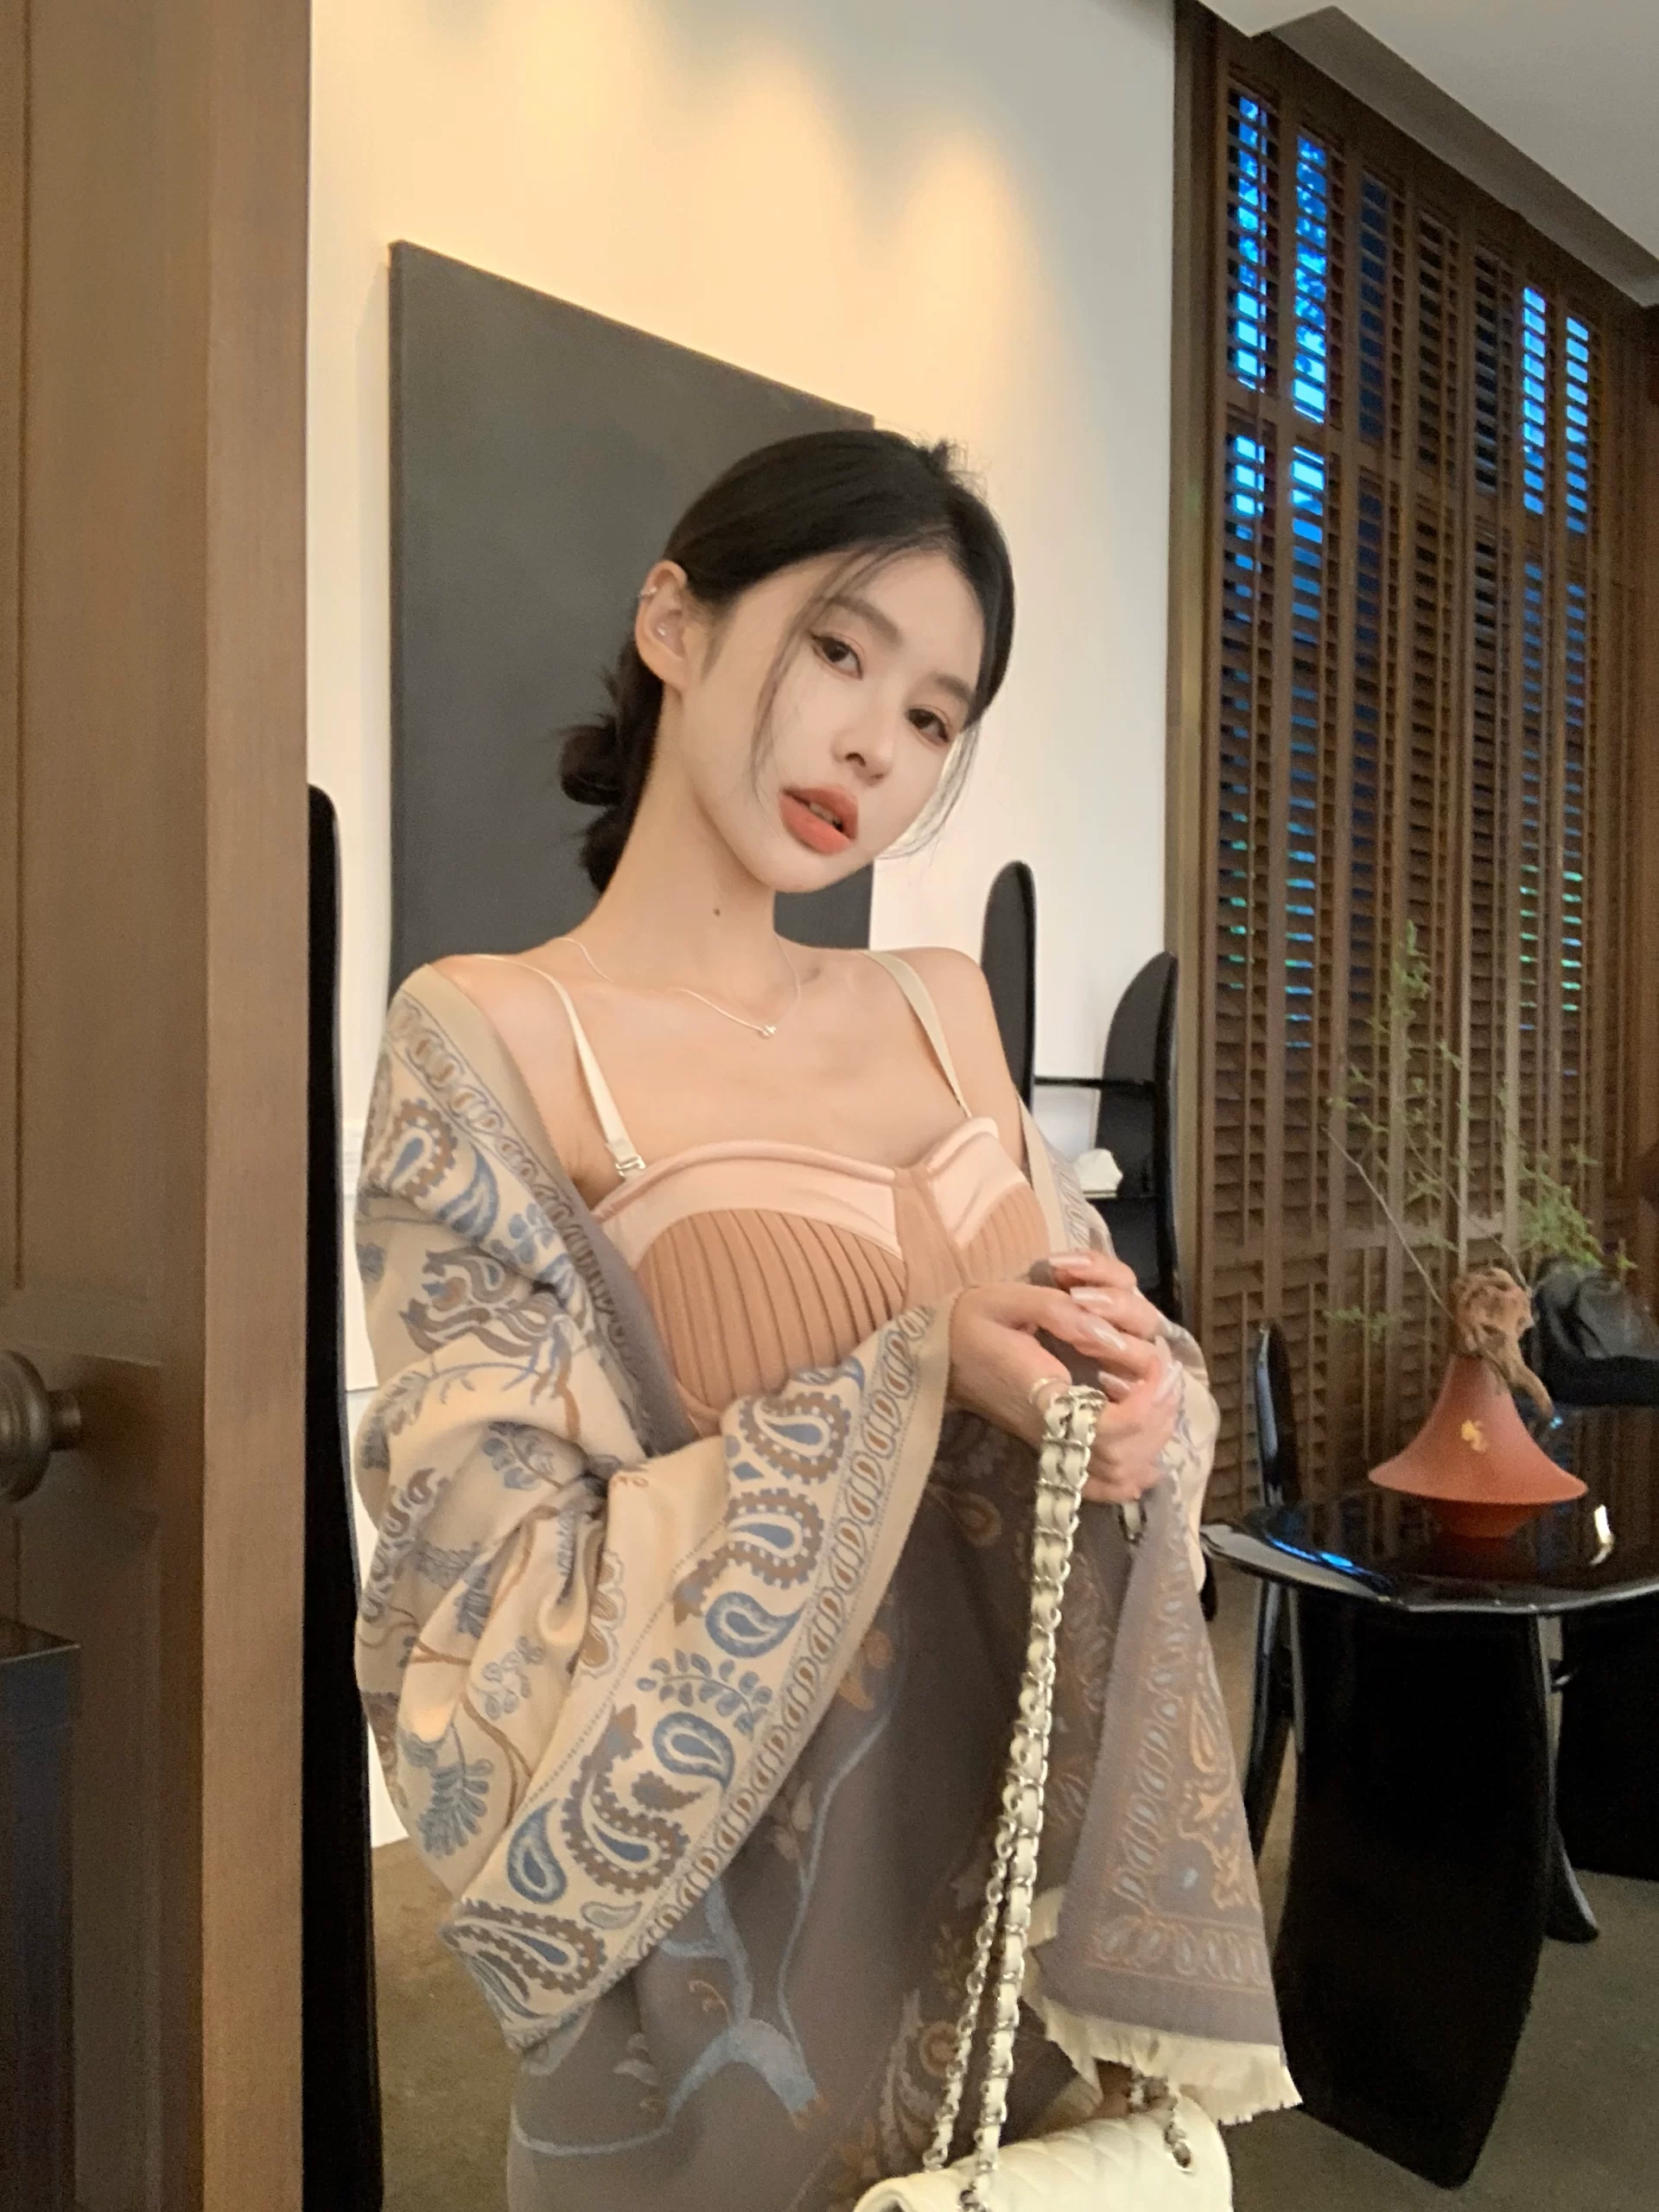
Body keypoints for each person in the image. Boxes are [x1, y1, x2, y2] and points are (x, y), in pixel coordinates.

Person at [353, 429, 1292, 2212]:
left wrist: (1146, 1397)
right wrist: (916, 1373)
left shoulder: (941, 1005)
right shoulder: (491, 1040)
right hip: (739, 1985)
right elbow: (479, 1595)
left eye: (934, 714)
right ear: (675, 624)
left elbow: (1103, 1354)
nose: (877, 744)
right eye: (842, 650)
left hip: (1021, 1914)